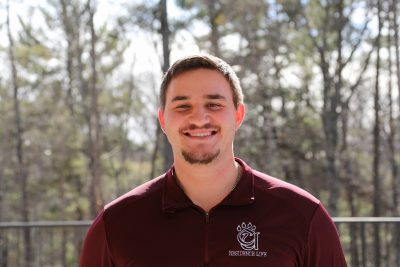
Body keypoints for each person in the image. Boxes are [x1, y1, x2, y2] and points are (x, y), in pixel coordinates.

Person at [80, 54, 347, 267]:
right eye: (182, 106)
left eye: (214, 104)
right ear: (163, 120)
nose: (198, 118)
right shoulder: (116, 223)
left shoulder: (302, 215)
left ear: (238, 115)